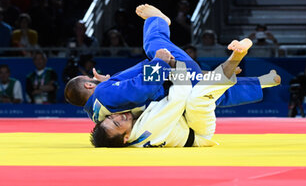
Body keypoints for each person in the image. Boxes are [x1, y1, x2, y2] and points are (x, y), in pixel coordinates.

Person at [65, 4, 279, 123]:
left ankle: (262, 82)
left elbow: (129, 96)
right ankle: (158, 20)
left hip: (174, 97)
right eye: (90, 78)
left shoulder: (98, 115)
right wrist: (160, 61)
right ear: (88, 85)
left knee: (211, 92)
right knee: (153, 45)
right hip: (172, 78)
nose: (93, 78)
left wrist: (109, 81)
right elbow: (140, 90)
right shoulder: (103, 95)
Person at [90, 40, 281, 147]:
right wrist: (167, 64)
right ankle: (234, 59)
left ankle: (236, 75)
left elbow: (135, 93)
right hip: (197, 131)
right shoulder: (147, 127)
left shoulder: (121, 130)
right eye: (116, 122)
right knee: (198, 96)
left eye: (111, 117)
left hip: (182, 120)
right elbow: (179, 95)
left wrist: (113, 82)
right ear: (125, 138)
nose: (117, 116)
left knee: (202, 88)